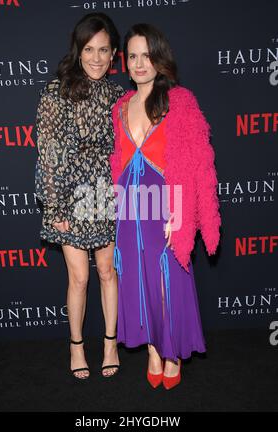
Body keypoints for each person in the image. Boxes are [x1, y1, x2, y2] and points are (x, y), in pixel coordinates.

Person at [110, 23, 221, 390]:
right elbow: (116, 163)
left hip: (165, 209)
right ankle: (153, 351)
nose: (141, 64)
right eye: (134, 56)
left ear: (161, 59)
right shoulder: (120, 108)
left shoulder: (180, 101)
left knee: (164, 282)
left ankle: (171, 354)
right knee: (136, 281)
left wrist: (181, 211)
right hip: (130, 212)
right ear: (126, 62)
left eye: (148, 56)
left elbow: (197, 162)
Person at [35, 13, 124, 379]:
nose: (97, 58)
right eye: (89, 49)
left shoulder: (119, 95)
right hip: (70, 195)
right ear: (78, 49)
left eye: (104, 50)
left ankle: (109, 343)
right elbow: (48, 151)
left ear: (114, 52)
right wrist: (55, 205)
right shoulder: (56, 91)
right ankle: (75, 345)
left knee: (106, 271)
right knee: (80, 278)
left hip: (107, 192)